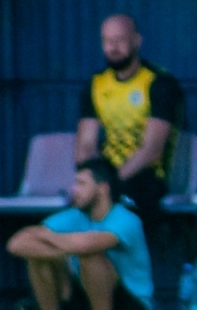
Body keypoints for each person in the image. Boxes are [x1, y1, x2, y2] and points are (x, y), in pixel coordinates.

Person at [6, 157, 154, 310]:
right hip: (83, 302)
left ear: (102, 188)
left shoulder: (126, 219)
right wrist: (62, 250)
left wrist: (48, 236)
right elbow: (16, 244)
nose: (74, 190)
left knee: (91, 256)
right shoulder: (74, 216)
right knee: (38, 258)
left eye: (81, 184)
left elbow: (89, 245)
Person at [74, 14, 185, 219]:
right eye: (107, 41)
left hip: (145, 178)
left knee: (119, 211)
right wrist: (89, 180)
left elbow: (151, 150)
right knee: (75, 211)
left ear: (137, 41)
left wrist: (111, 183)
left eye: (120, 40)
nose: (113, 47)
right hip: (106, 178)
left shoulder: (159, 83)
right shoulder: (96, 84)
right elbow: (85, 147)